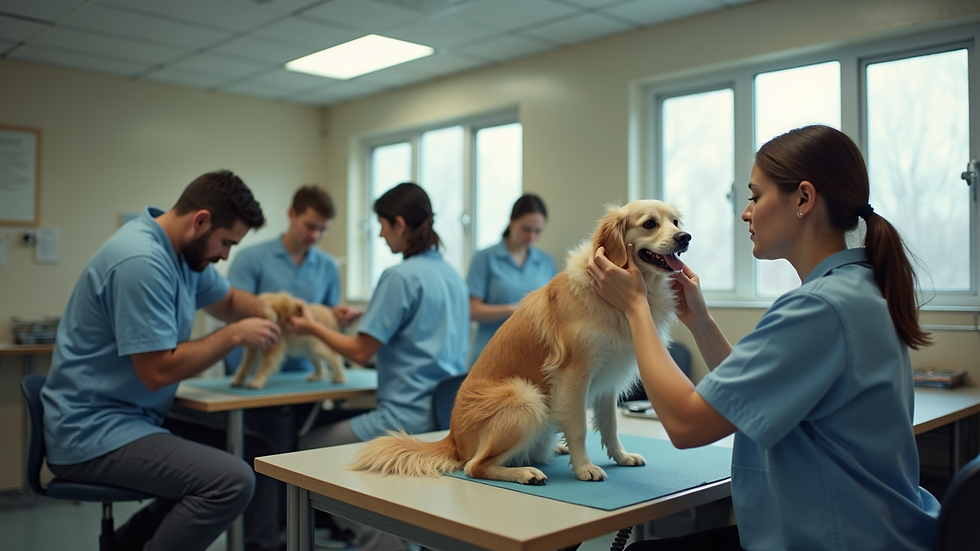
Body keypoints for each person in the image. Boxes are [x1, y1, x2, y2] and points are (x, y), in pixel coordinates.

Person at [587, 125, 939, 551]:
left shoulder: (818, 309)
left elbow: (685, 424)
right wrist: (701, 323)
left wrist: (636, 308)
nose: (746, 212)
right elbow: (755, 390)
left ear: (804, 199)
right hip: (872, 528)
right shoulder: (859, 289)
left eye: (755, 195)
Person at [41, 170, 283, 551]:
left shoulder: (184, 257)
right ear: (200, 221)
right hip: (93, 430)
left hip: (136, 419)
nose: (225, 255)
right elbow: (157, 371)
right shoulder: (141, 261)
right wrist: (235, 334)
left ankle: (127, 545)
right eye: (225, 243)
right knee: (230, 480)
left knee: (256, 452)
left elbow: (232, 301)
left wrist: (274, 311)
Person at [286, 182, 469, 551]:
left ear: (400, 224)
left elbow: (358, 352)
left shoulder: (400, 276)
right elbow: (398, 342)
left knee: (308, 448)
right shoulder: (451, 275)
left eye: (383, 225)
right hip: (444, 416)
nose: (382, 235)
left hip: (404, 417)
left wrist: (311, 326)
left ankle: (380, 541)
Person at [466, 193, 557, 367]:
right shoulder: (485, 258)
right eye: (526, 229)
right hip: (490, 355)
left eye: (537, 231)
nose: (531, 237)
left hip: (532, 358)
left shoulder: (546, 262)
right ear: (511, 221)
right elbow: (472, 310)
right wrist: (515, 309)